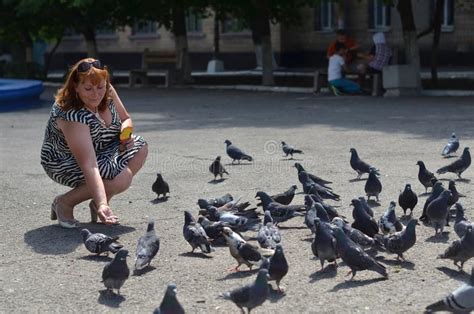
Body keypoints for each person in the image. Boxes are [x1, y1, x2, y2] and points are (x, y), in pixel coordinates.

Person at [40, 58, 148, 228]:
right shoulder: (70, 113)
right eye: (88, 89)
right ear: (75, 86)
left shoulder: (106, 90)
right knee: (120, 179)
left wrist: (125, 134)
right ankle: (65, 203)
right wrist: (103, 202)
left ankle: (98, 202)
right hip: (63, 161)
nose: (96, 94)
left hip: (100, 150)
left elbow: (125, 118)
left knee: (140, 146)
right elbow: (89, 164)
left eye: (101, 87)